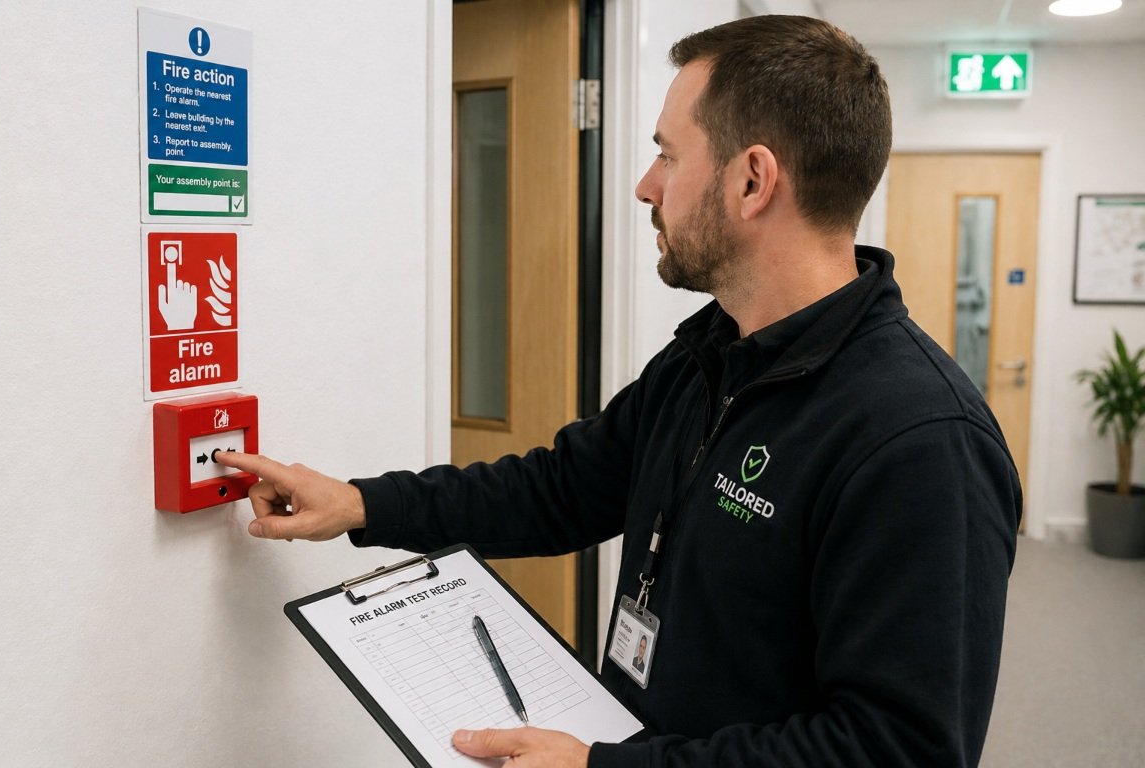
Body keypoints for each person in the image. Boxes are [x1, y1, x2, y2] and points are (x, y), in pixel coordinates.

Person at [217, 14, 1021, 768]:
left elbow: (895, 749)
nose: (645, 184)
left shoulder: (921, 440)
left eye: (669, 154)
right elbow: (562, 489)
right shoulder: (710, 356)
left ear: (752, 181)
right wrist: (361, 505)